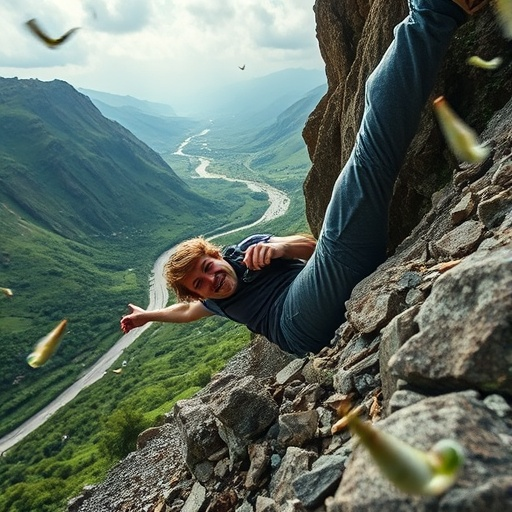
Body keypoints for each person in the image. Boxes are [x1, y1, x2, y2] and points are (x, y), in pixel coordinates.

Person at [121, 0, 485, 357]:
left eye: (206, 268)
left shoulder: (250, 250)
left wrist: (278, 248)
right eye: (199, 285)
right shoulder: (214, 302)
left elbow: (311, 247)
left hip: (324, 285)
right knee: (367, 160)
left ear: (215, 255)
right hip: (295, 326)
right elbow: (184, 311)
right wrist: (148, 315)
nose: (210, 280)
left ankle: (432, 15)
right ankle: (434, 11)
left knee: (363, 166)